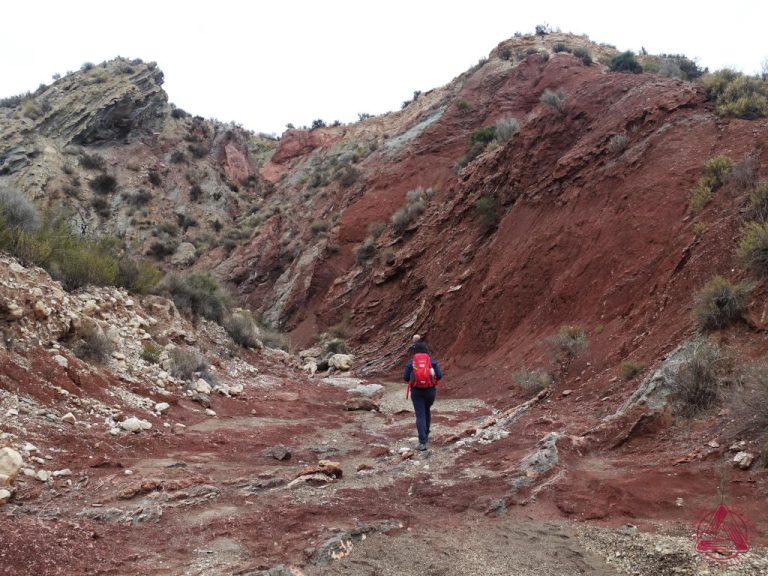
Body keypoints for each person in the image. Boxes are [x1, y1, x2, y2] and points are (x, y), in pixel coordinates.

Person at [403, 341, 442, 451]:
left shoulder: (411, 362)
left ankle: (422, 442)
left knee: (420, 414)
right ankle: (426, 432)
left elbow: (405, 377)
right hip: (430, 391)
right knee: (426, 410)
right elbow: (439, 376)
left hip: (416, 391)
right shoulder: (432, 361)